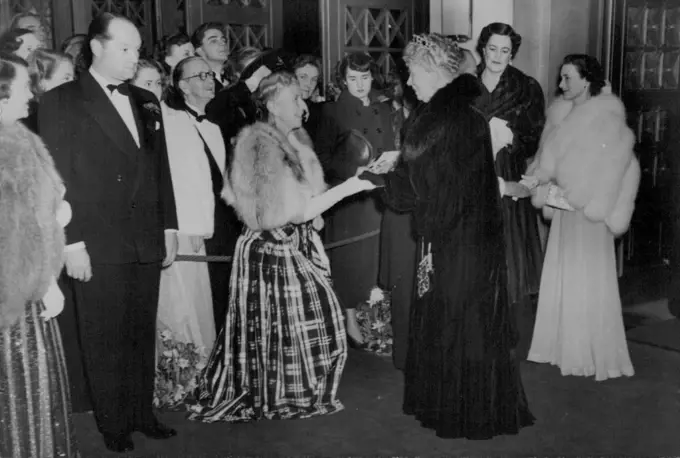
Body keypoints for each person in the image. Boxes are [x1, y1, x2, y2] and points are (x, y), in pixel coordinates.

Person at [361, 33, 534, 439]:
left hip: (451, 242)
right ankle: (476, 408)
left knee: (451, 321)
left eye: (413, 71)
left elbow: (409, 192)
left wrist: (373, 178)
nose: (410, 80)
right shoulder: (468, 112)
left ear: (435, 71)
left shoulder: (433, 119)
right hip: (478, 239)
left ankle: (455, 412)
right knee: (473, 323)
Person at [190, 71, 375, 422]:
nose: (302, 106)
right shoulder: (258, 145)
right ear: (273, 104)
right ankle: (280, 391)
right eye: (294, 99)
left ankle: (292, 388)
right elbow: (292, 211)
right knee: (285, 327)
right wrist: (353, 186)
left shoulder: (292, 140)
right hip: (270, 249)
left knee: (302, 323)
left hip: (292, 244)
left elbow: (306, 204)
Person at [38, 13, 179, 453]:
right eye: (125, 48)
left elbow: (161, 171)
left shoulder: (145, 100)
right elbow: (57, 177)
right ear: (96, 48)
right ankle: (113, 422)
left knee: (140, 331)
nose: (135, 57)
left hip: (144, 236)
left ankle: (142, 413)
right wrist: (73, 242)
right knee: (104, 336)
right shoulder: (62, 100)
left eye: (138, 49)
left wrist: (169, 226)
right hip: (96, 240)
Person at [525, 54, 639, 381]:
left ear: (587, 80)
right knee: (564, 273)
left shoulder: (606, 117)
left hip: (589, 214)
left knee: (589, 279)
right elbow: (546, 161)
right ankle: (561, 348)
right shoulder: (559, 113)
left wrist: (584, 197)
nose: (561, 85)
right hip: (564, 211)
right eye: (561, 78)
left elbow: (617, 166)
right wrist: (538, 179)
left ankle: (588, 353)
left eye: (568, 78)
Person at [0, 52, 78, 458]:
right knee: (18, 391)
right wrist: (46, 282)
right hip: (15, 295)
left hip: (25, 286)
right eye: (23, 86)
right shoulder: (5, 145)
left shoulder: (20, 136)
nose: (32, 94)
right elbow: (14, 232)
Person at [473, 22, 546, 359]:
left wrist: (510, 139)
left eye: (505, 51)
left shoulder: (525, 87)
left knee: (510, 255)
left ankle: (509, 333)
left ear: (512, 53)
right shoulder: (465, 84)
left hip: (506, 176)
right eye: (492, 49)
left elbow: (534, 138)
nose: (498, 56)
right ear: (482, 48)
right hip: (471, 174)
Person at [316, 52, 395, 346]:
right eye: (352, 79)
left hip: (380, 190)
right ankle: (349, 318)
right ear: (342, 80)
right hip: (350, 194)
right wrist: (354, 169)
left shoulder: (384, 108)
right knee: (351, 260)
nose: (359, 85)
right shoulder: (332, 112)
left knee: (376, 257)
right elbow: (323, 158)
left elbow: (388, 144)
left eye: (364, 78)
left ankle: (376, 317)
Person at [154, 55, 221, 351]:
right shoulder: (173, 121)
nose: (210, 81)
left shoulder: (213, 125)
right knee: (185, 304)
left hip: (214, 225)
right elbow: (179, 183)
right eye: (201, 76)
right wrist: (192, 227)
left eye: (210, 75)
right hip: (188, 228)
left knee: (206, 300)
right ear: (182, 86)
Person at [293, 54, 323, 139]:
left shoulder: (317, 113)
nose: (309, 84)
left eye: (314, 79)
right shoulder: (278, 108)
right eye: (303, 77)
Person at [191, 23, 228, 91]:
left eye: (223, 40)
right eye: (213, 41)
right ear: (200, 51)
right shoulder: (199, 84)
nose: (222, 43)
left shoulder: (232, 79)